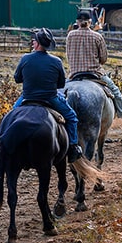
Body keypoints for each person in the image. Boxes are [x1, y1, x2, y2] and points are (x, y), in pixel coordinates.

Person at [13, 28, 83, 162]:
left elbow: (17, 78)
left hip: (27, 97)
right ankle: (73, 146)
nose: (32, 43)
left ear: (38, 43)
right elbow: (61, 84)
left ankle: (1, 141)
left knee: (11, 115)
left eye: (34, 41)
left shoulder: (25, 58)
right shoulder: (56, 61)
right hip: (50, 98)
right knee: (72, 117)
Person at [66, 10, 122, 129]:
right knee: (115, 92)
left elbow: (68, 56)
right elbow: (103, 59)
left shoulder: (70, 36)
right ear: (90, 22)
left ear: (77, 22)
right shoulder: (97, 36)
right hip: (95, 74)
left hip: (74, 74)